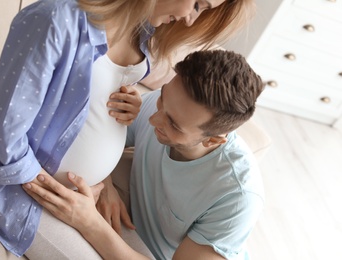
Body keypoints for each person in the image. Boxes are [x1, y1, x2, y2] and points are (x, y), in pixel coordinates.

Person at [0, 0, 255, 257]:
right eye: (199, 3)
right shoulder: (55, 21)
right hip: (30, 192)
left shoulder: (144, 31)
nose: (192, 19)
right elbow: (2, 143)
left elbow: (95, 105)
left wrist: (103, 179)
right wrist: (62, 198)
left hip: (89, 190)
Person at [24, 49, 266, 259]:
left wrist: (89, 222)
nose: (152, 118)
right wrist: (105, 182)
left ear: (214, 139)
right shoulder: (159, 108)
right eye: (162, 98)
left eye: (173, 125)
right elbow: (94, 140)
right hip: (130, 235)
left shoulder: (237, 197)